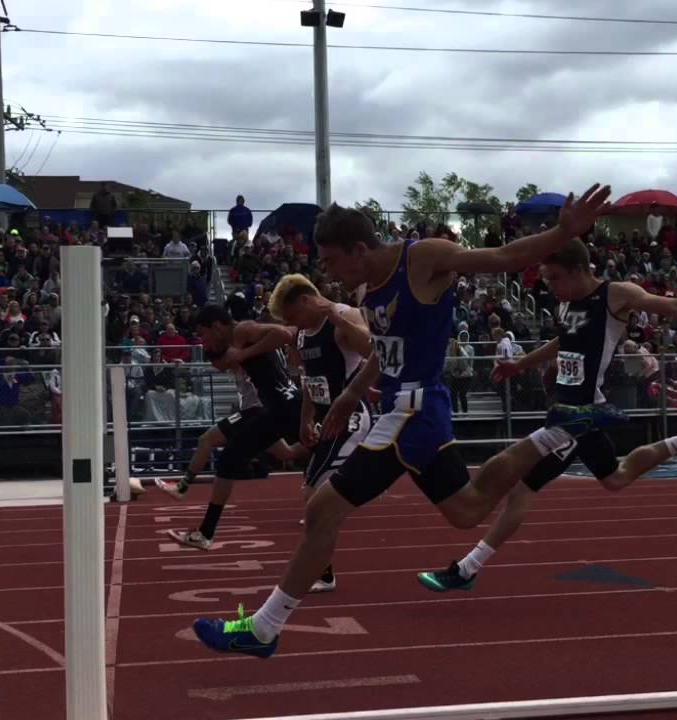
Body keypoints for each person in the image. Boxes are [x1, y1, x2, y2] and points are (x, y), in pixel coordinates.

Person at [191, 184, 614, 658]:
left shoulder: (422, 258)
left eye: (331, 261)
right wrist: (351, 393)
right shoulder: (368, 288)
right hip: (406, 410)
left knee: (323, 509)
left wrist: (562, 233)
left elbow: (503, 256)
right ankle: (555, 434)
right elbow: (384, 351)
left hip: (413, 411)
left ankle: (264, 628)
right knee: (466, 511)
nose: (326, 272)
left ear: (359, 249)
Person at [417, 238, 677, 592]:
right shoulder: (568, 304)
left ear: (578, 270)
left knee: (522, 486)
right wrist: (520, 365)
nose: (551, 286)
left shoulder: (616, 295)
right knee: (615, 478)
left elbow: (676, 306)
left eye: (555, 278)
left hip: (579, 416)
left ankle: (467, 568)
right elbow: (563, 342)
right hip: (574, 410)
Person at [269, 273, 377, 593]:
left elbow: (374, 349)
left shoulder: (341, 316)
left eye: (293, 316)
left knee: (314, 494)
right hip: (326, 419)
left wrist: (335, 315)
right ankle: (323, 570)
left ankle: (322, 572)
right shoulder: (303, 336)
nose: (293, 325)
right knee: (315, 495)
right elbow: (310, 382)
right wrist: (306, 420)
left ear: (307, 302)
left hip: (350, 417)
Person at [164, 305, 304, 551]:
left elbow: (285, 333)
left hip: (282, 406)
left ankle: (205, 532)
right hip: (280, 408)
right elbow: (223, 362)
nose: (203, 341)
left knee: (229, 458)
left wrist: (245, 353)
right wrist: (236, 354)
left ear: (217, 327)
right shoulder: (234, 340)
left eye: (204, 335)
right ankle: (205, 532)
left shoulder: (243, 329)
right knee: (273, 454)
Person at [134, 349, 305, 499]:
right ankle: (315, 443)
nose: (215, 367)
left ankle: (182, 487)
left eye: (215, 362)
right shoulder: (242, 360)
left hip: (253, 412)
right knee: (287, 453)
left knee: (206, 440)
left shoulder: (242, 358)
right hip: (257, 412)